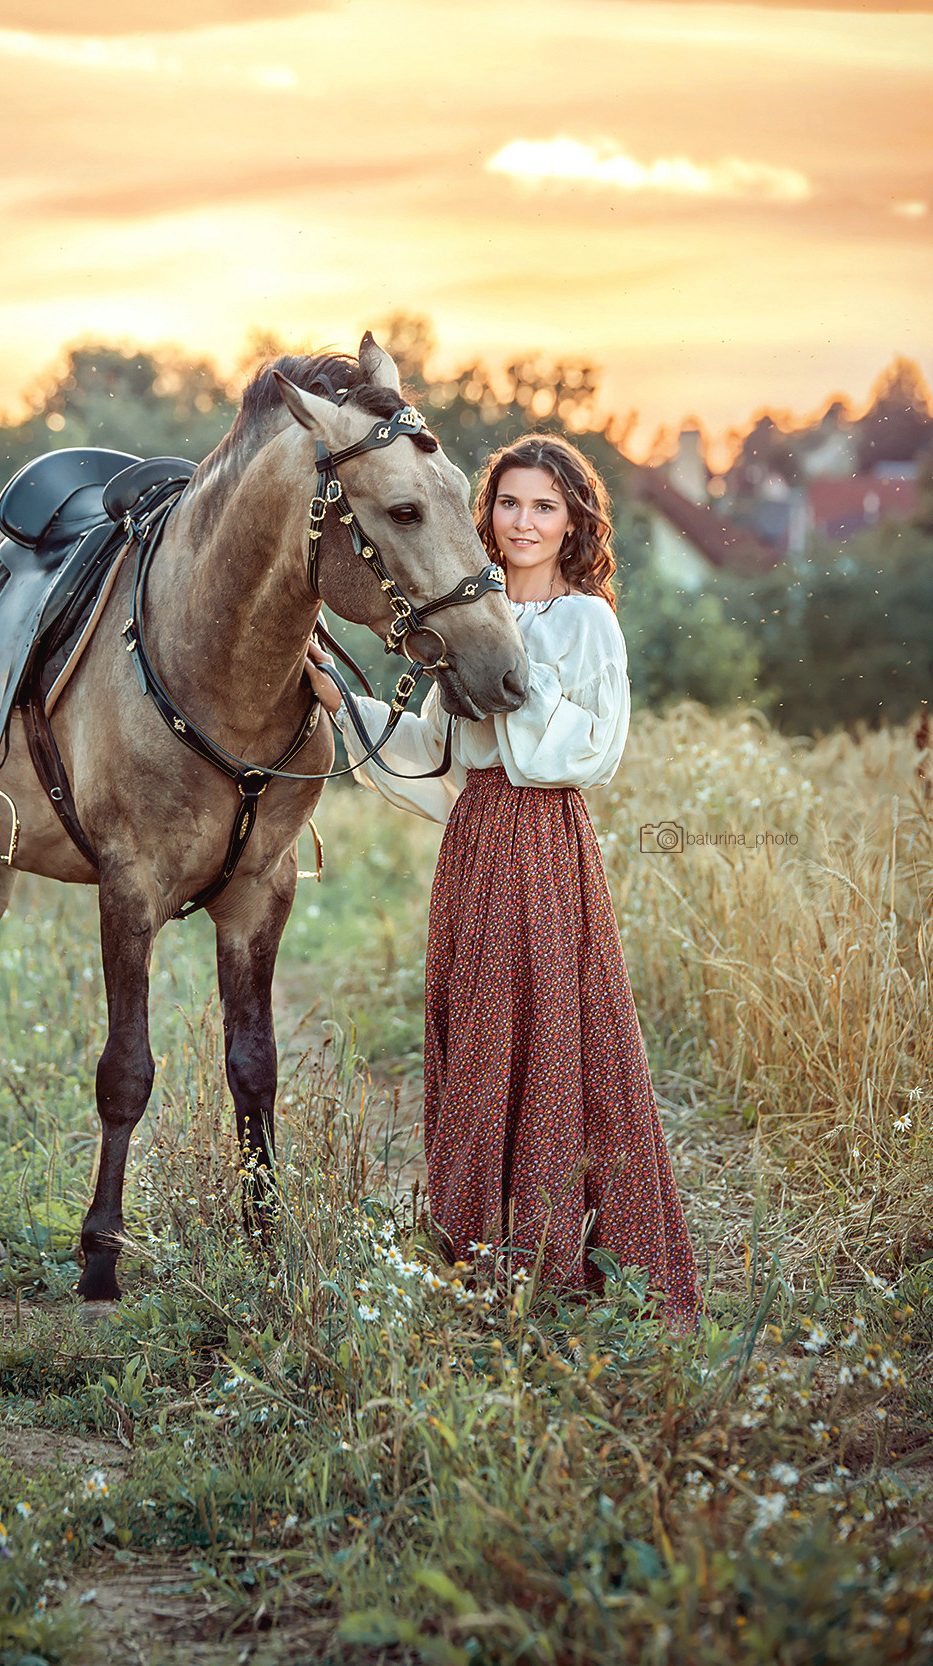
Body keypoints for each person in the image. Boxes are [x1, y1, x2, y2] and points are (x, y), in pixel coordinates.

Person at [305, 433, 702, 1332]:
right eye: (509, 504)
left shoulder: (583, 620)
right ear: (484, 514)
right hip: (475, 843)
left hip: (545, 841)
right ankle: (480, 1251)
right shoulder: (462, 616)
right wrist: (340, 701)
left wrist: (513, 677)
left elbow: (597, 749)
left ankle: (564, 1254)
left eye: (543, 507)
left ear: (573, 523)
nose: (522, 522)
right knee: (478, 1041)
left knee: (559, 1042)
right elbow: (432, 755)